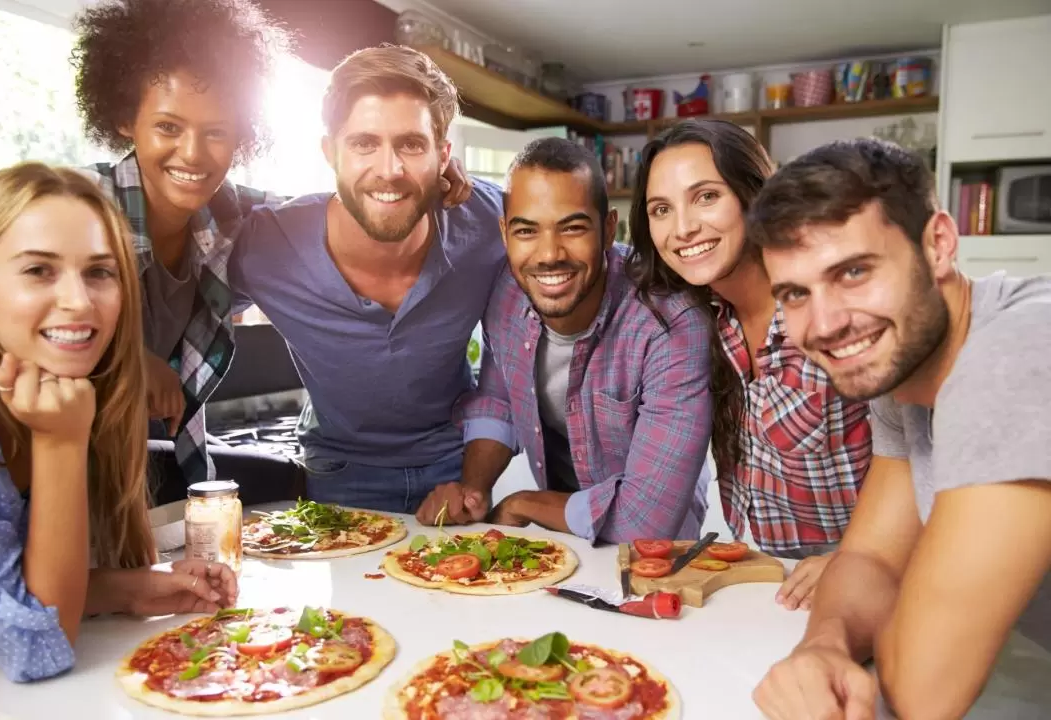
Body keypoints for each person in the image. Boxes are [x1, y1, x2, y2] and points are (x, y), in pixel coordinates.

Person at [71, 1, 473, 504]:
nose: (192, 153)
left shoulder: (232, 218)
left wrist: (427, 179)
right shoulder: (73, 205)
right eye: (168, 127)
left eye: (216, 131)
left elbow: (339, 211)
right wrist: (126, 356)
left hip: (125, 466)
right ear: (125, 118)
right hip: (27, 462)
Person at [748, 138, 1051, 719]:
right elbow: (870, 561)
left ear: (937, 245)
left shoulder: (1012, 355)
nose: (827, 323)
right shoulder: (902, 372)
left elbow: (924, 691)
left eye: (854, 271)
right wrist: (824, 645)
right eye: (796, 294)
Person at [0, 163, 237, 683]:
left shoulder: (72, 390)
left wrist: (128, 588)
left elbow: (0, 594)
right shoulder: (62, 421)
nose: (79, 301)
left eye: (99, 272)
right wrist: (60, 445)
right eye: (38, 270)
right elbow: (38, 647)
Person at [229, 44, 499, 513]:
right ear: (330, 152)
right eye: (363, 143)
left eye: (412, 144)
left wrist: (474, 483)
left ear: (444, 156)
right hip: (339, 473)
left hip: (456, 467)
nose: (389, 171)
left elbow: (585, 236)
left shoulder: (490, 220)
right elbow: (167, 265)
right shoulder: (266, 245)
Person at [415, 137, 713, 543]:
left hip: (654, 558)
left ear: (608, 230)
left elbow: (648, 520)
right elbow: (499, 399)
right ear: (505, 233)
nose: (549, 253)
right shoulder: (507, 290)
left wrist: (525, 503)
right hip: (556, 543)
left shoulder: (672, 321)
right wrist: (473, 491)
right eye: (526, 230)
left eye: (572, 228)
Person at [626, 119, 872, 605]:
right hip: (767, 583)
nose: (684, 228)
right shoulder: (704, 320)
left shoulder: (835, 305)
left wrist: (863, 554)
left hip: (870, 579)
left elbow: (924, 459)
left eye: (706, 196)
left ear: (754, 194)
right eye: (661, 209)